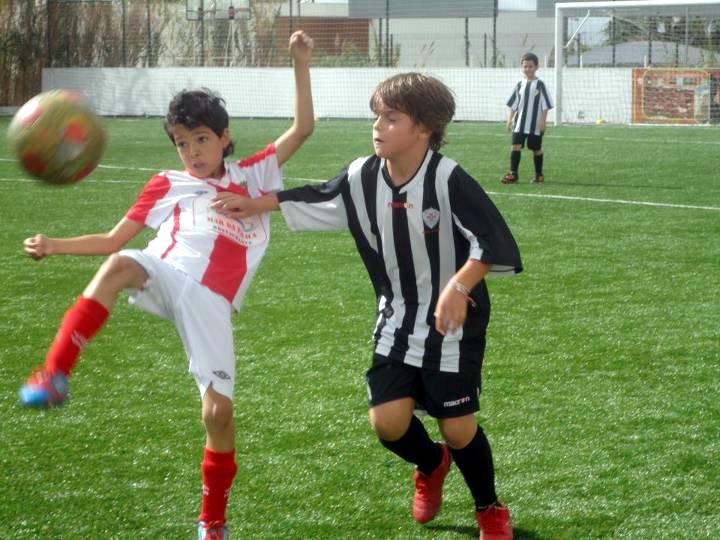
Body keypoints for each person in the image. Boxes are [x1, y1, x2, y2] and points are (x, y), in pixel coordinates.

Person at [18, 30, 315, 540]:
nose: (192, 152)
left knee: (218, 414)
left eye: (201, 139)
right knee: (120, 264)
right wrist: (54, 244)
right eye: (182, 143)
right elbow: (114, 240)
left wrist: (300, 63)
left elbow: (303, 128)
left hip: (212, 303)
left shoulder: (254, 174)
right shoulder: (166, 183)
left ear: (224, 137)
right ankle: (54, 374)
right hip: (165, 271)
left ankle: (212, 521)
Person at [211, 73, 522, 540]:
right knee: (387, 422)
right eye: (376, 116)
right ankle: (431, 463)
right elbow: (321, 195)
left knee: (458, 428)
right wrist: (254, 204)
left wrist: (459, 286)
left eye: (391, 118)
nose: (378, 126)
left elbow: (493, 241)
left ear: (424, 128)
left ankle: (489, 508)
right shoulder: (363, 176)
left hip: (452, 325)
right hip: (397, 316)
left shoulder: (447, 179)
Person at [501, 52, 553, 184]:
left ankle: (539, 175)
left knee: (536, 149)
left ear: (536, 67)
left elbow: (546, 105)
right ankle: (513, 174)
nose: (527, 69)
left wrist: (543, 121)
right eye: (525, 66)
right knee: (515, 146)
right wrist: (510, 119)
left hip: (535, 125)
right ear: (521, 67)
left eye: (530, 66)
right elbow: (513, 104)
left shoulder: (540, 84)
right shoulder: (519, 84)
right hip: (519, 123)